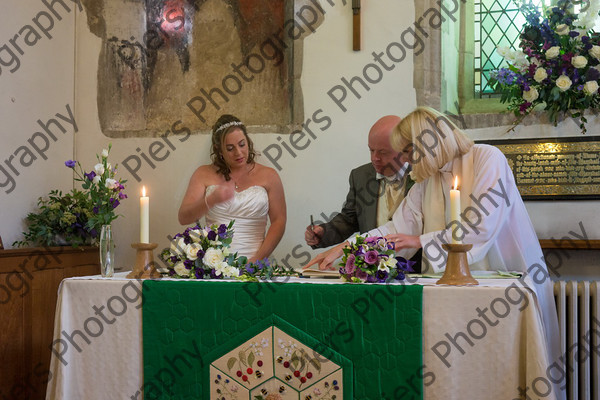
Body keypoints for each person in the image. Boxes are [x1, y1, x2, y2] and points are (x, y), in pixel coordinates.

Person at [305, 107, 561, 392]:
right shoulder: (427, 180)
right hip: (448, 293)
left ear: (428, 143)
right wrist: (344, 248)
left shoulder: (488, 158)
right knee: (454, 375)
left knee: (495, 372)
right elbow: (395, 229)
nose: (403, 160)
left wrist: (420, 241)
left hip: (500, 284)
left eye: (407, 152)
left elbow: (481, 225)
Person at [178, 114, 286, 262]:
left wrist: (257, 259)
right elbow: (184, 218)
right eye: (230, 148)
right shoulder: (203, 174)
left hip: (257, 263)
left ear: (248, 141)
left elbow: (279, 221)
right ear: (219, 150)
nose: (238, 153)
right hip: (215, 266)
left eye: (242, 144)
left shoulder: (269, 175)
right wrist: (211, 200)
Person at [304, 115, 413, 249]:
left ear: (403, 149)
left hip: (417, 266)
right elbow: (350, 219)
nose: (374, 158)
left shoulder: (422, 176)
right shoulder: (360, 176)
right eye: (371, 150)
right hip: (373, 263)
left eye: (383, 152)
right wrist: (323, 233)